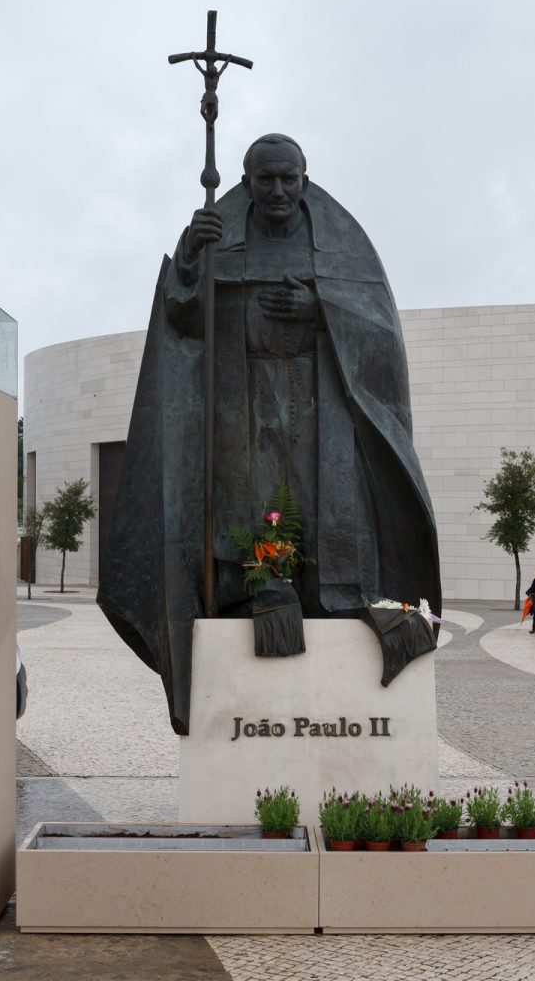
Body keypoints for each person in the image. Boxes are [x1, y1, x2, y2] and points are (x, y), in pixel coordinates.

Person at [97, 134, 442, 735]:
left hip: (319, 403)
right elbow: (183, 321)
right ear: (247, 180)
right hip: (242, 400)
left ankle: (329, 596)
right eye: (265, 180)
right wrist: (188, 261)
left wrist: (319, 310)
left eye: (289, 178)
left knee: (320, 498)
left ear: (305, 178)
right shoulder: (218, 235)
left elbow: (378, 330)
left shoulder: (344, 247)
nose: (278, 191)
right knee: (250, 501)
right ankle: (261, 590)